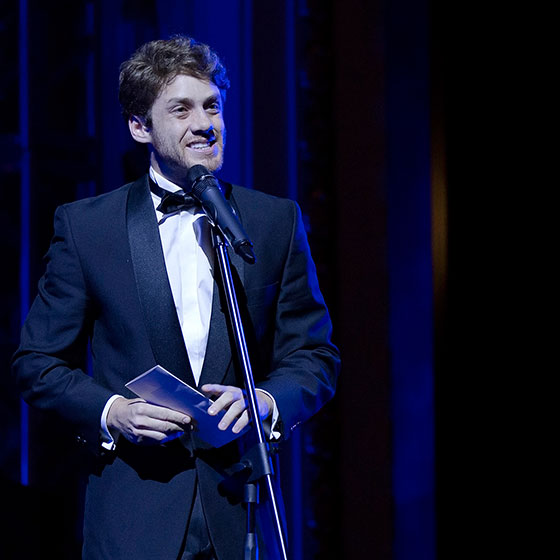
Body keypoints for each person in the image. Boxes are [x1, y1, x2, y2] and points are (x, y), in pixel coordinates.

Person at [12, 36, 340, 560]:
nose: (205, 123)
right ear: (140, 127)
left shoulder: (272, 221)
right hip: (134, 518)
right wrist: (113, 411)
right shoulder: (88, 227)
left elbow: (314, 355)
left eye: (213, 106)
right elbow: (37, 363)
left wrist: (267, 400)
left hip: (241, 509)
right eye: (181, 109)